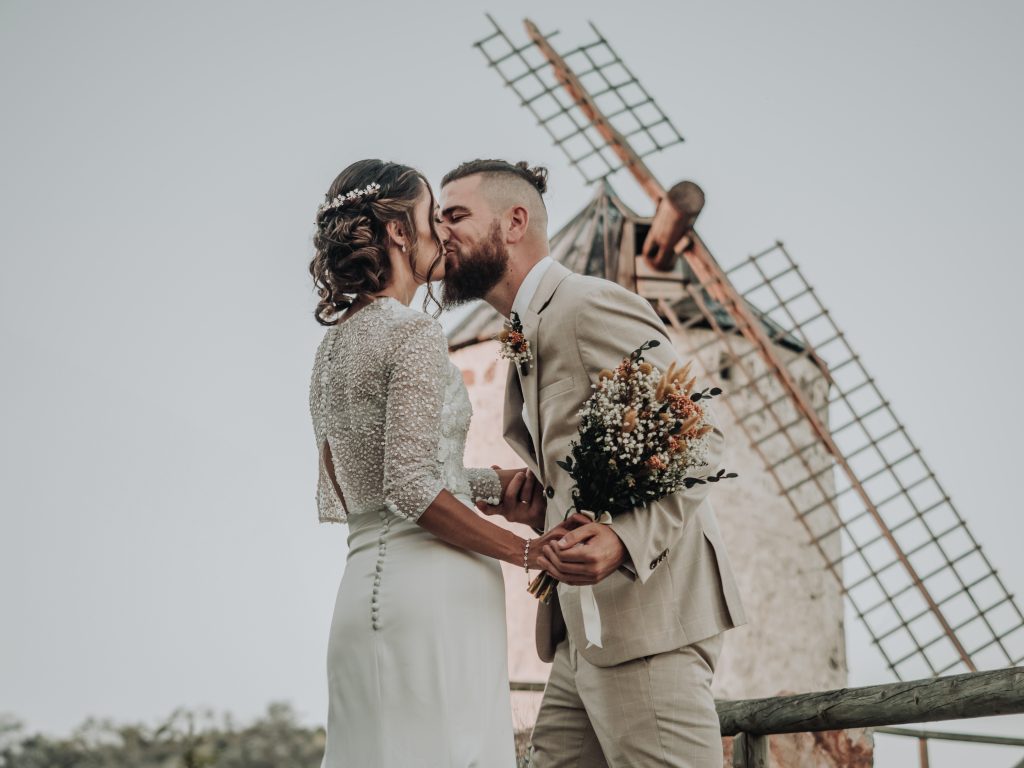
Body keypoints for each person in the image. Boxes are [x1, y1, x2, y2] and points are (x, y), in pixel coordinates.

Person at [438, 159, 748, 768]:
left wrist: (622, 539)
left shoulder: (585, 304)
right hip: (582, 634)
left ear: (513, 222)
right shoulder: (526, 331)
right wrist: (542, 504)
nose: (441, 231)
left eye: (455, 215)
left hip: (646, 624)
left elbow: (699, 437)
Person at [308, 158, 582, 768]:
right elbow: (409, 488)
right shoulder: (411, 332)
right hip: (428, 601)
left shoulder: (333, 347)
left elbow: (372, 485)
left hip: (363, 594)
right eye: (430, 216)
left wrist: (489, 485)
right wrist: (528, 552)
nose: (440, 230)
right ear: (399, 233)